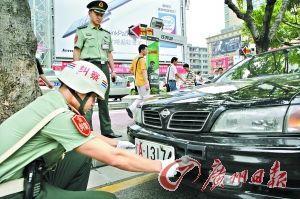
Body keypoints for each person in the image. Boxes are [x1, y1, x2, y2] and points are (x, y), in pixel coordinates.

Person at [0, 61, 178, 199]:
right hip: (11, 191)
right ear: (80, 90)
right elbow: (114, 159)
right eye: (93, 97)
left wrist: (116, 144)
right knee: (107, 198)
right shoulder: (61, 115)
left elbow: (86, 136)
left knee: (80, 156)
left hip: (26, 175)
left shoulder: (52, 101)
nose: (93, 103)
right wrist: (161, 166)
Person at [73, 0, 120, 138]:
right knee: (88, 100)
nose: (99, 17)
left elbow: (109, 53)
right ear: (89, 13)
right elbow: (77, 51)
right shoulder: (82, 31)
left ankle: (107, 130)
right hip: (89, 67)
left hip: (104, 67)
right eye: (96, 13)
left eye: (102, 14)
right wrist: (77, 69)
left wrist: (113, 70)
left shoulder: (106, 34)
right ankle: (89, 130)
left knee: (103, 101)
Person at [126, 44, 150, 118]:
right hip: (143, 82)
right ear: (142, 50)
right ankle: (145, 116)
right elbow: (144, 71)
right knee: (146, 99)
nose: (147, 51)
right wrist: (147, 83)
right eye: (146, 50)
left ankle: (131, 108)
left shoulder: (135, 58)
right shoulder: (142, 59)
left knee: (141, 97)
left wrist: (137, 74)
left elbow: (130, 70)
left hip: (137, 82)